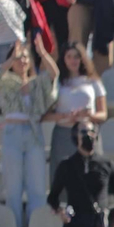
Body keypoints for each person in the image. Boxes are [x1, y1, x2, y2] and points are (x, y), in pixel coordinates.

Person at [0, 39, 59, 227]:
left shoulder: (37, 83)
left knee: (37, 187)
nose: (22, 61)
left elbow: (54, 75)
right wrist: (13, 55)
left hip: (33, 134)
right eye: (18, 58)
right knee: (13, 188)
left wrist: (42, 53)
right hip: (13, 132)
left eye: (25, 58)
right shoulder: (6, 81)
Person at [46, 44, 107, 173]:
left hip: (88, 134)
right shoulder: (57, 83)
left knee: (92, 174)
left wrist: (88, 116)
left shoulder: (94, 82)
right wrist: (65, 116)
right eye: (69, 57)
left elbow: (103, 114)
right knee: (63, 177)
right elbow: (45, 115)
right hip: (63, 134)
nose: (73, 61)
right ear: (63, 59)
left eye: (76, 57)